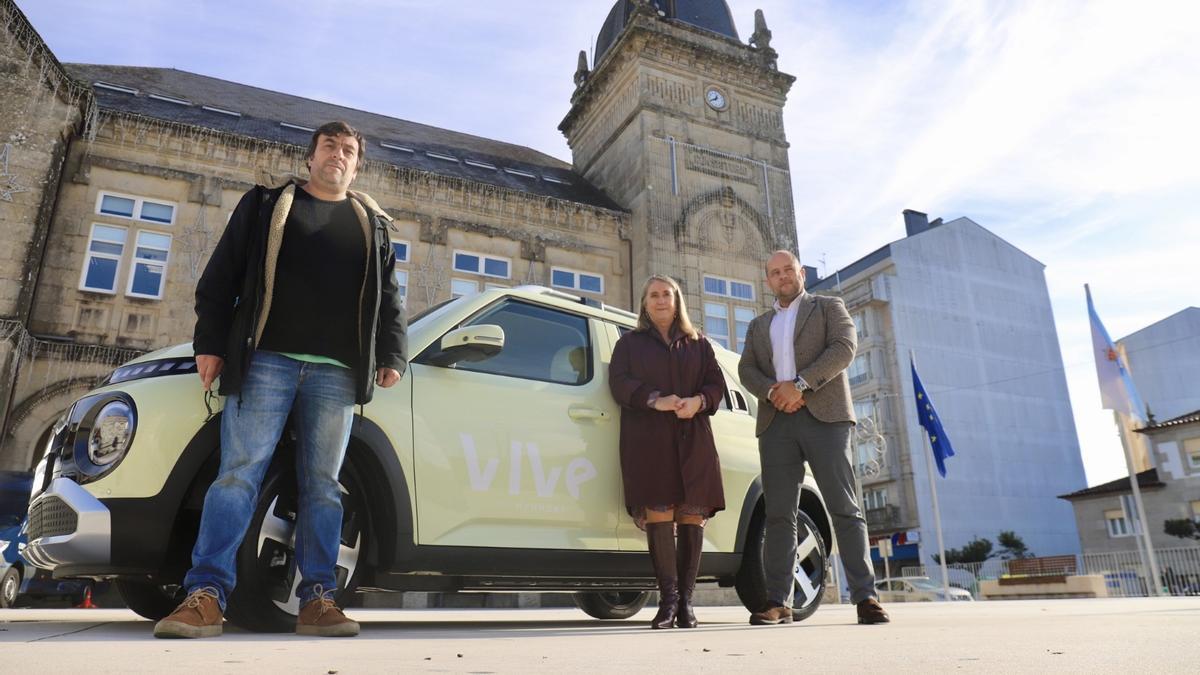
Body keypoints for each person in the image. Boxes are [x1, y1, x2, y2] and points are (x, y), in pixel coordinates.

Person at [154, 121, 407, 639]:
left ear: (356, 166)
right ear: (311, 157)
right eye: (330, 146)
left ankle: (317, 600)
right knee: (237, 474)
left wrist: (393, 354)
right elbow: (220, 276)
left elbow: (390, 299)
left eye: (349, 150)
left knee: (324, 486)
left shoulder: (373, 225)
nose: (339, 154)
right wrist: (211, 342)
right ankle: (205, 597)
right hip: (266, 360)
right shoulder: (267, 204)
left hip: (337, 371)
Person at [738, 250, 889, 626]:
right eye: (775, 272)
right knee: (778, 515)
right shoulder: (759, 325)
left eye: (788, 269)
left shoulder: (828, 307)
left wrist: (800, 386)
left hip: (826, 417)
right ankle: (778, 601)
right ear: (768, 280)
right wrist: (775, 391)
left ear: (800, 273)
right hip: (777, 424)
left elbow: (844, 348)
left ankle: (865, 597)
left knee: (844, 508)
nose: (782, 276)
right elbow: (746, 368)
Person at [609, 275, 727, 629]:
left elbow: (716, 385)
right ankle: (668, 603)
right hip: (649, 442)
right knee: (659, 516)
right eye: (653, 295)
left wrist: (699, 401)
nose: (660, 300)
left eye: (667, 294)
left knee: (692, 518)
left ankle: (687, 606)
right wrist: (654, 400)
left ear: (677, 302)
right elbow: (618, 382)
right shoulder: (629, 343)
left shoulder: (699, 343)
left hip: (695, 441)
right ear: (644, 303)